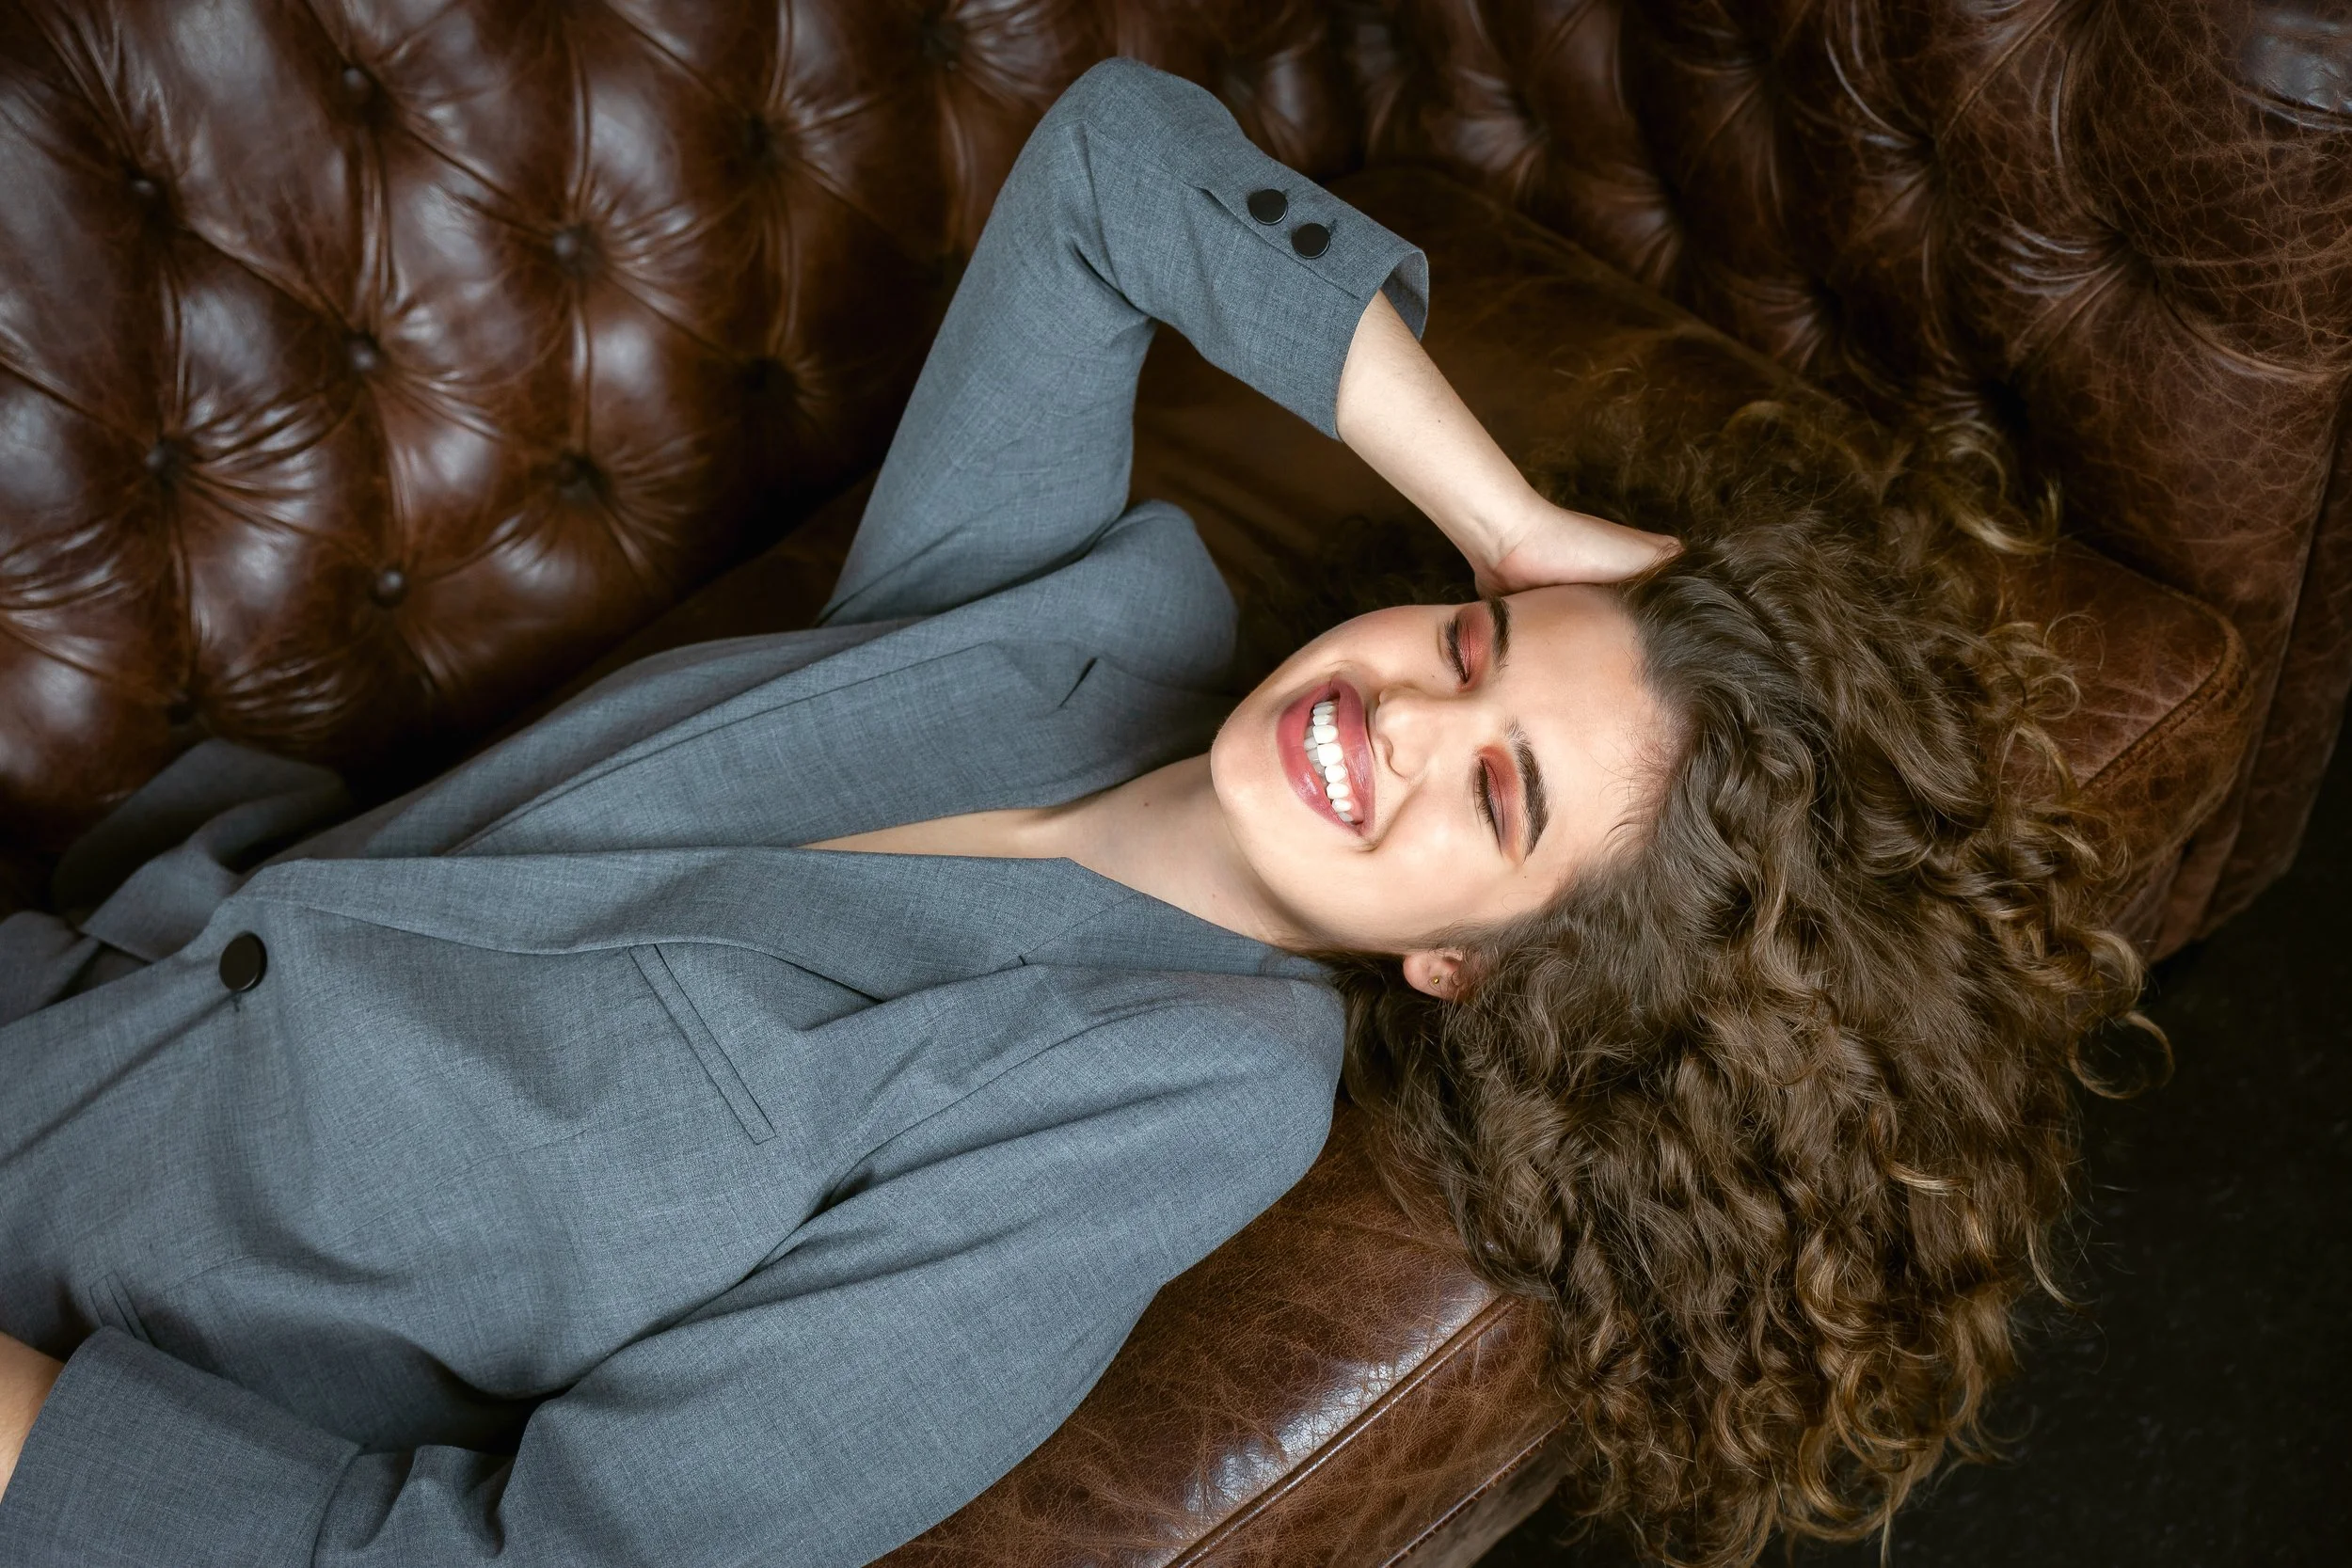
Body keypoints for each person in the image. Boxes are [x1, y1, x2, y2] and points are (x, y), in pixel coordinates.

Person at [0, 56, 2137, 1568]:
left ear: (1466, 961)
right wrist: (1507, 515)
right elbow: (1117, 161)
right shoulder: (1056, 625)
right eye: (1465, 643)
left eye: (1490, 794)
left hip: (83, 1312)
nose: (1383, 711)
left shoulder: (1174, 1097)